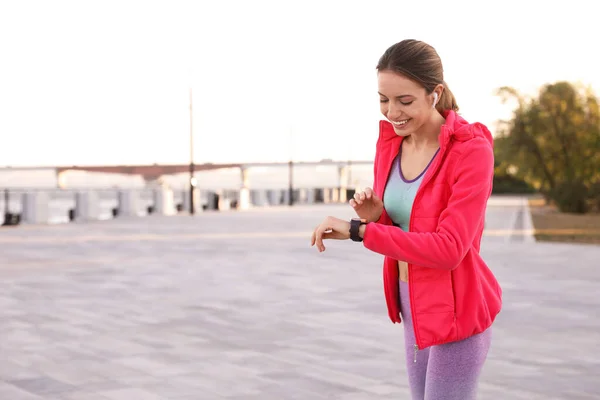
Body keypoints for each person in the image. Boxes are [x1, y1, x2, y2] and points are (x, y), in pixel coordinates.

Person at [310, 39, 502, 400]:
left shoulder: (471, 152)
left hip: (456, 309)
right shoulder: (391, 146)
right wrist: (377, 217)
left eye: (405, 101)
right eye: (383, 99)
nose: (391, 112)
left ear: (435, 93)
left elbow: (448, 249)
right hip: (412, 303)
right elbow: (405, 230)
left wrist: (359, 231)